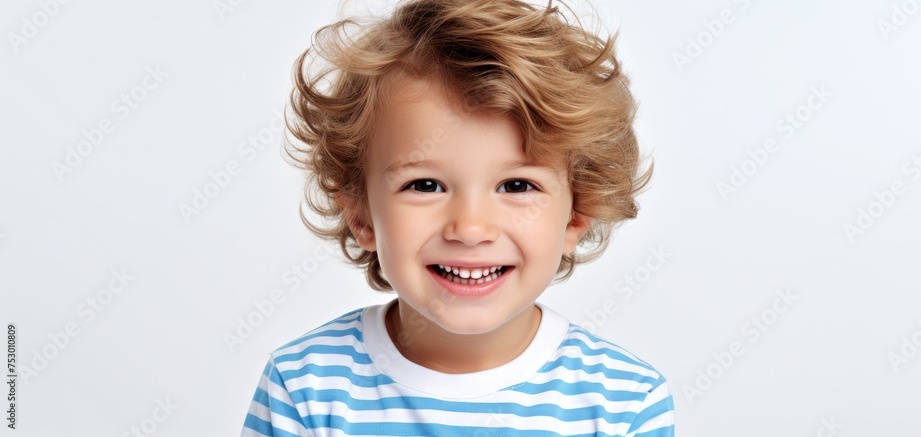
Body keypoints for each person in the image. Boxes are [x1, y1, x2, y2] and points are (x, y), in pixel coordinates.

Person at [241, 0, 674, 435]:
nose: (470, 229)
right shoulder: (303, 386)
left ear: (577, 216)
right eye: (425, 185)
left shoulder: (625, 403)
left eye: (517, 186)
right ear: (360, 214)